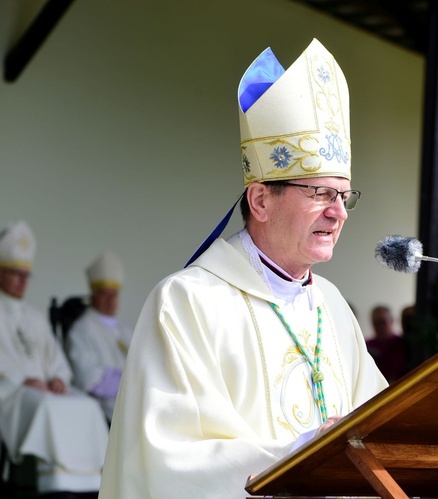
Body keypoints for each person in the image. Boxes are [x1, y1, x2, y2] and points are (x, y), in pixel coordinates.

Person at [99, 39, 388, 499]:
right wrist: (300, 454)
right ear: (260, 200)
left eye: (344, 195)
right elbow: (165, 459)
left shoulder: (331, 306)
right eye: (319, 193)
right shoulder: (188, 302)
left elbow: (383, 425)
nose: (339, 213)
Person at [0, 220, 109, 498]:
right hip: (10, 392)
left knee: (86, 405)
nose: (23, 280)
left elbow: (56, 359)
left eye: (27, 274)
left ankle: (90, 486)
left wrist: (59, 378)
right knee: (49, 406)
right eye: (16, 273)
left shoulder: (35, 316)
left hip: (44, 388)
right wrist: (23, 379)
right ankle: (55, 487)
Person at [65, 250, 133, 421]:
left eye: (114, 294)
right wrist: (131, 384)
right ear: (93, 295)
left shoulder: (125, 331)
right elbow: (88, 377)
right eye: (105, 293)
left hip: (132, 399)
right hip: (106, 408)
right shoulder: (81, 329)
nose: (111, 300)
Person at [366, 305, 408, 382]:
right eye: (376, 323)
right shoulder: (366, 346)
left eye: (383, 322)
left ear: (391, 321)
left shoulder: (404, 343)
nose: (380, 326)